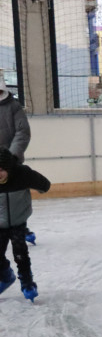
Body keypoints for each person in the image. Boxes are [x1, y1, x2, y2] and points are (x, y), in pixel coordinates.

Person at [0, 147, 49, 301]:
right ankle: (6, 276)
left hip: (18, 223)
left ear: (8, 168)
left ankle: (27, 284)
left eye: (1, 169)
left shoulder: (22, 174)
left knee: (20, 254)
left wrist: (39, 187)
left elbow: (45, 185)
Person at [0, 72, 35, 252]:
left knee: (15, 197)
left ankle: (21, 225)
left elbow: (22, 133)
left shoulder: (13, 107)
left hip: (11, 164)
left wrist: (11, 158)